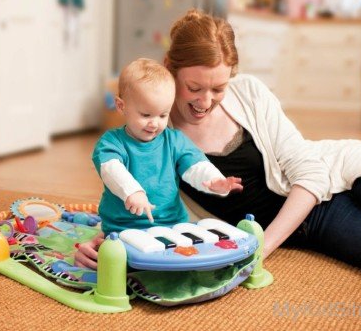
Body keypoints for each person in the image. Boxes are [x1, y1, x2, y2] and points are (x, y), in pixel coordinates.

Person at [77, 10, 361, 286]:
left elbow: (311, 172)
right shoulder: (153, 134)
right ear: (171, 68)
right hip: (320, 222)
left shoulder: (250, 93)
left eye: (218, 88)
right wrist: (106, 241)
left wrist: (260, 248)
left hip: (343, 173)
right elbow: (142, 203)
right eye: (194, 88)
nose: (205, 102)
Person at [80, 58, 242, 268]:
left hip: (173, 225)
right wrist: (132, 192)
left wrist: (214, 181)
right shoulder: (111, 143)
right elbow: (111, 169)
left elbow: (195, 164)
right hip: (125, 228)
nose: (155, 123)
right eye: (146, 114)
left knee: (195, 260)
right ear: (122, 106)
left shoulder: (174, 140)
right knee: (125, 265)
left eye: (163, 115)